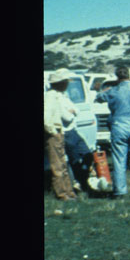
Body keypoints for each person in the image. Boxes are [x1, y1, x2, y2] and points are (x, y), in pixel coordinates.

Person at [95, 65, 130, 198]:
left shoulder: (113, 91)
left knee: (119, 160)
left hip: (119, 126)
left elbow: (98, 98)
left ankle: (120, 191)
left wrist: (103, 90)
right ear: (129, 75)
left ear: (117, 77)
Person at [44, 69, 79, 200]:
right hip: (54, 134)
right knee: (57, 165)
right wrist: (53, 132)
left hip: (58, 133)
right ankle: (62, 193)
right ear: (60, 83)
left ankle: (68, 192)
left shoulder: (57, 95)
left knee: (62, 163)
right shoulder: (50, 96)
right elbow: (46, 118)